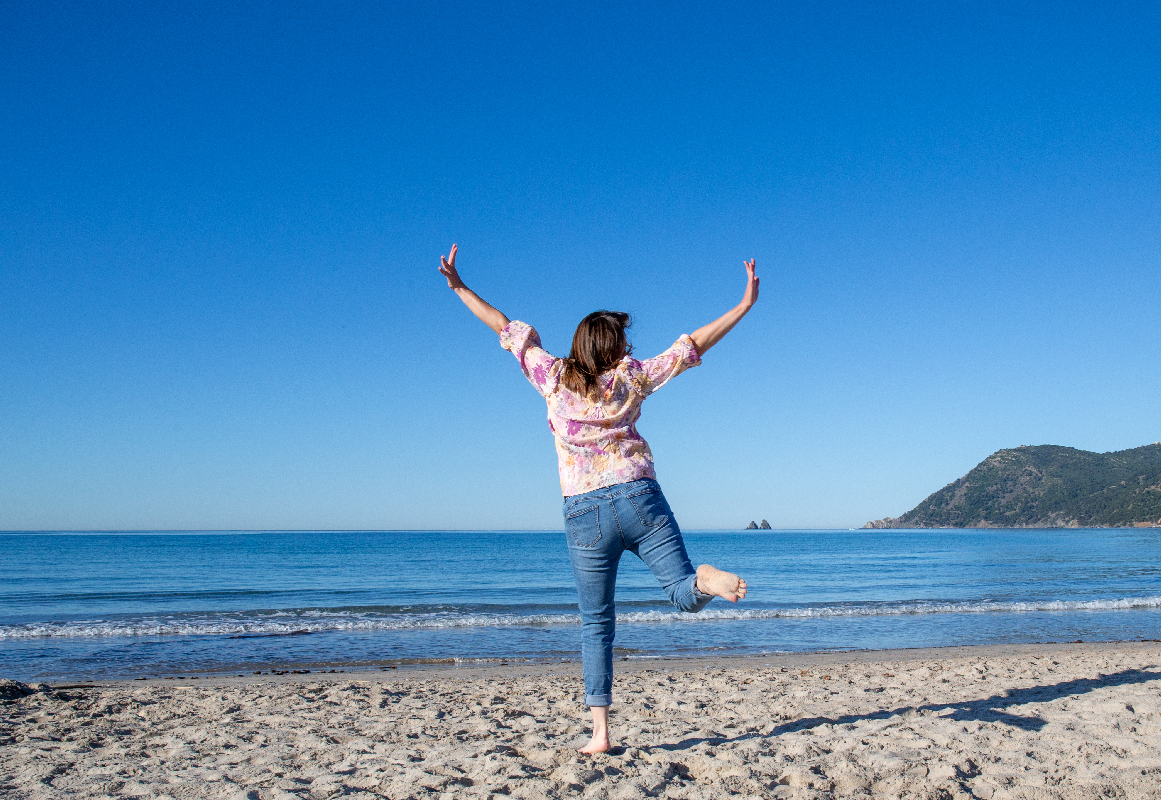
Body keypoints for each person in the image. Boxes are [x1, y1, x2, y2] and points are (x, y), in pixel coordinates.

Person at [438, 243, 757, 753]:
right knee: (679, 591)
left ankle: (600, 734)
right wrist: (742, 307)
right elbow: (691, 346)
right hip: (638, 497)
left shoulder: (552, 377)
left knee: (597, 623)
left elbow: (504, 328)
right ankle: (705, 580)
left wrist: (458, 288)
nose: (631, 349)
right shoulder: (631, 378)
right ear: (611, 347)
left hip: (584, 511)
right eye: (625, 342)